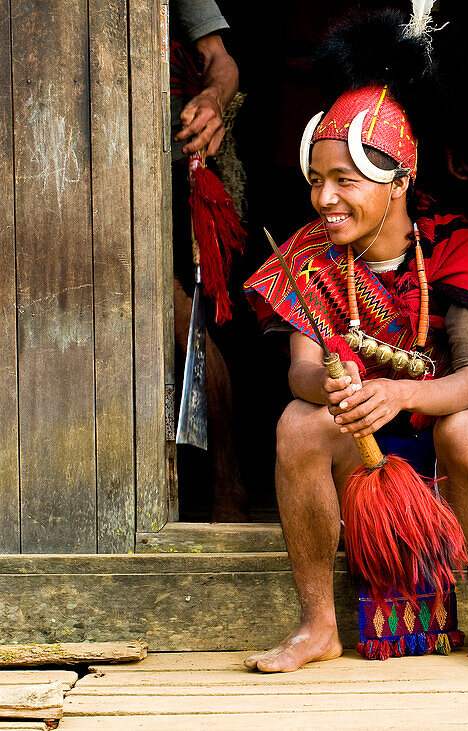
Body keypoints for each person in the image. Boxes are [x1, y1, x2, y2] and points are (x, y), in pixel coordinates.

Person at [241, 10, 468, 674]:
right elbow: (300, 371)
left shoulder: (457, 248)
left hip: (443, 444)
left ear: (400, 181)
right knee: (298, 423)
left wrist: (398, 392)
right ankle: (319, 624)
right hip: (361, 452)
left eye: (344, 181)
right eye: (317, 180)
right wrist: (331, 384)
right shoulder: (309, 256)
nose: (325, 198)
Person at [171, 0, 248, 521]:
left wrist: (213, 98)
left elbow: (220, 59)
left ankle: (228, 486)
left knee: (188, 324)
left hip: (178, 170)